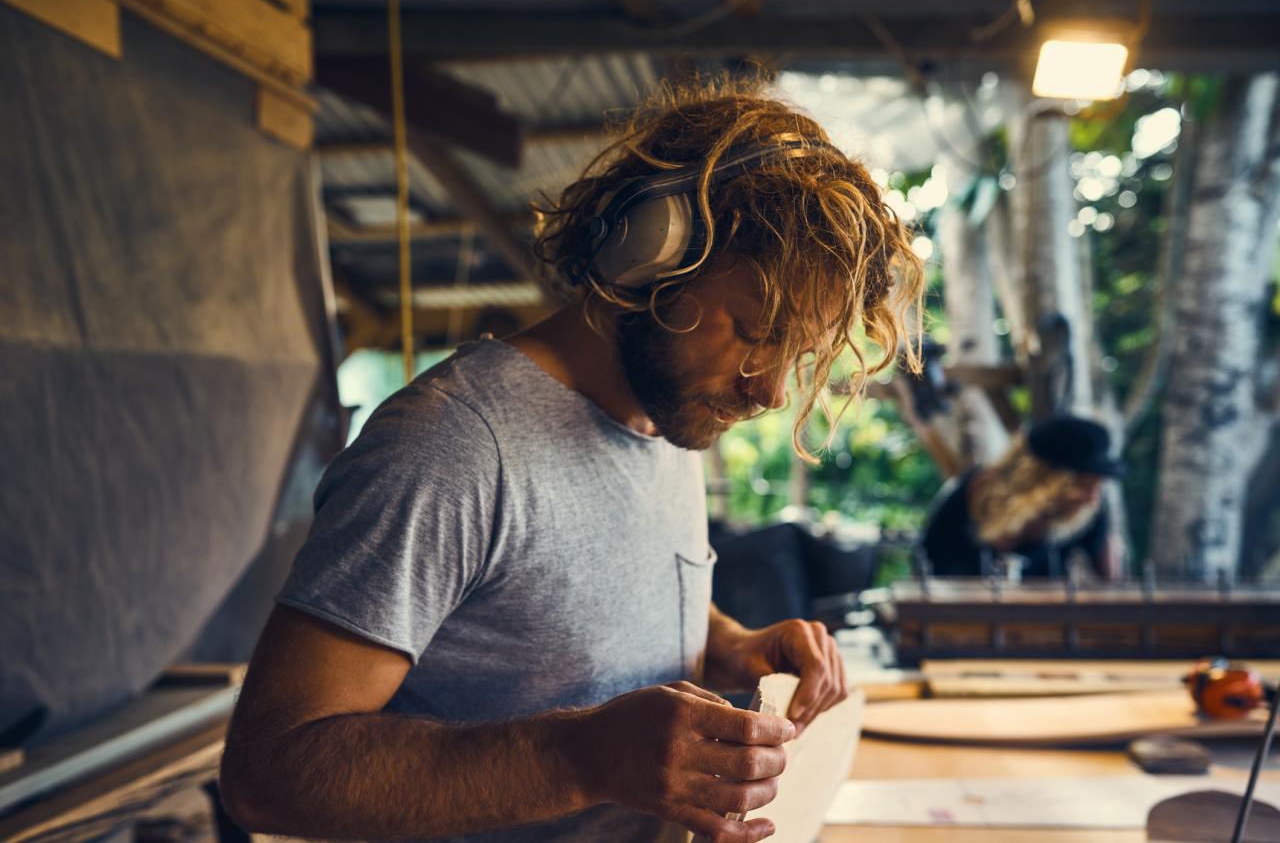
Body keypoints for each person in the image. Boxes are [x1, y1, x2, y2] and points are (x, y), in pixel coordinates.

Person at [218, 78, 923, 843]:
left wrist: (728, 649)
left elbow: (560, 610)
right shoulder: (452, 446)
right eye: (756, 330)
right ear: (653, 250)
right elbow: (269, 773)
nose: (772, 388)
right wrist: (578, 758)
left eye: (801, 353)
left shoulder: (670, 414)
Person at [920, 415, 1126, 580]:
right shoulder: (965, 501)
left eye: (1097, 487)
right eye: (1083, 485)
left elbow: (1112, 584)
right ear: (1044, 482)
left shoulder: (1088, 514)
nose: (1092, 498)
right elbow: (925, 573)